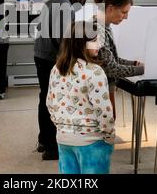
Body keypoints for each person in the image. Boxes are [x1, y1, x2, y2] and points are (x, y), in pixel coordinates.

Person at [46, 21, 115, 174]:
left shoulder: (56, 69)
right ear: (80, 43)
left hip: (63, 138)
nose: (99, 44)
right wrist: (109, 134)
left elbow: (50, 103)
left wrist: (62, 127)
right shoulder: (95, 72)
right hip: (92, 140)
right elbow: (103, 110)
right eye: (94, 40)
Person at [34, 0, 87, 160]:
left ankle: (43, 140)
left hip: (40, 55)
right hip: (52, 58)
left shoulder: (51, 2)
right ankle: (52, 148)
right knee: (55, 101)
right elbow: (62, 38)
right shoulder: (66, 5)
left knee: (45, 98)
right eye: (82, 3)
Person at [93, 0, 144, 118]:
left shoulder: (102, 26)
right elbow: (112, 69)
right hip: (98, 90)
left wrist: (134, 64)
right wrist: (142, 70)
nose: (126, 17)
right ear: (110, 8)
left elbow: (111, 58)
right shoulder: (98, 29)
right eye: (123, 12)